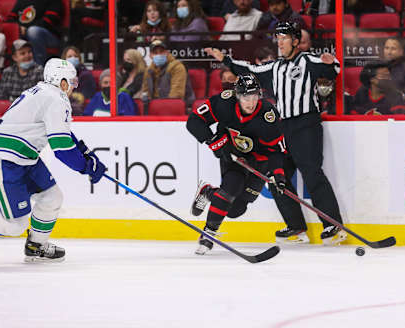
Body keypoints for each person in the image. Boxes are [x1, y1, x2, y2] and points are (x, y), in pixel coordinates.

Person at [0, 58, 106, 263]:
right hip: (3, 159)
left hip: (23, 157)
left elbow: (62, 132)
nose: (73, 87)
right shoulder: (57, 99)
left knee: (52, 197)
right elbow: (62, 149)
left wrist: (84, 152)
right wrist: (86, 167)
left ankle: (36, 245)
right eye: (72, 82)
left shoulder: (43, 92)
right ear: (61, 82)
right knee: (14, 225)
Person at [205, 21, 347, 244]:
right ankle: (296, 227)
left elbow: (331, 71)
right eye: (278, 38)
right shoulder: (275, 67)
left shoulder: (308, 60)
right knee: (275, 177)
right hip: (283, 128)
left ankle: (332, 225)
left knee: (311, 173)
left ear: (296, 42)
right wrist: (225, 60)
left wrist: (333, 65)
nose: (280, 42)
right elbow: (249, 71)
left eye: (285, 38)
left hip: (306, 124)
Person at [187, 74, 287, 254]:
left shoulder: (268, 115)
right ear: (237, 96)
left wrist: (278, 174)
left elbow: (276, 151)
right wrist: (213, 141)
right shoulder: (224, 103)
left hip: (259, 162)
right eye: (246, 97)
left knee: (235, 210)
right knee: (231, 188)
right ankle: (208, 235)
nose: (251, 102)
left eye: (255, 96)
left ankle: (209, 192)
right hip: (233, 156)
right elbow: (194, 121)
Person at [142, 39, 196, 109]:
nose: (159, 55)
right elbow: (146, 92)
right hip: (155, 108)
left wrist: (160, 108)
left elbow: (176, 95)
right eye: (155, 53)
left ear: (167, 53)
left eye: (161, 52)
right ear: (150, 56)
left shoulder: (177, 67)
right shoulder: (148, 70)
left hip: (177, 108)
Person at [7, 0, 63, 66]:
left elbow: (51, 19)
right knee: (14, 30)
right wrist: (19, 27)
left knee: (33, 31)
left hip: (48, 36)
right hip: (22, 33)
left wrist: (27, 28)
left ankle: (38, 68)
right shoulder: (21, 1)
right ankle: (17, 69)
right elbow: (10, 18)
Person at [61, 45, 96, 115]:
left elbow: (83, 98)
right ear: (64, 59)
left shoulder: (85, 75)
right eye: (70, 56)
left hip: (77, 111)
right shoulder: (58, 75)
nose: (73, 58)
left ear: (79, 59)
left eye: (75, 56)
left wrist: (71, 92)